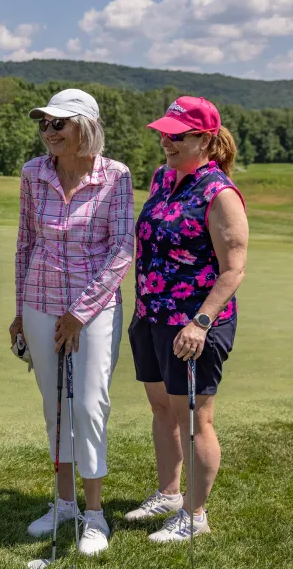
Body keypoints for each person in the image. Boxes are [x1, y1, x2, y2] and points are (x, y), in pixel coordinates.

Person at [11, 89, 135, 556]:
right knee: (55, 406)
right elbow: (25, 243)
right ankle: (64, 504)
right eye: (45, 124)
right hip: (41, 303)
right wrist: (22, 312)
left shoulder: (115, 175)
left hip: (94, 309)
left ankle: (96, 515)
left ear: (85, 125)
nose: (49, 131)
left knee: (87, 404)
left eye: (59, 123)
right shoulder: (33, 172)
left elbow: (122, 248)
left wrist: (79, 313)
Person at [123, 96, 248, 543]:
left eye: (176, 136)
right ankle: (170, 494)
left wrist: (201, 321)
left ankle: (195, 516)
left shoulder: (220, 193)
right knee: (163, 409)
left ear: (206, 138)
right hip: (151, 315)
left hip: (193, 325)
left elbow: (233, 268)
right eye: (163, 133)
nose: (165, 141)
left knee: (194, 418)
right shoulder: (162, 178)